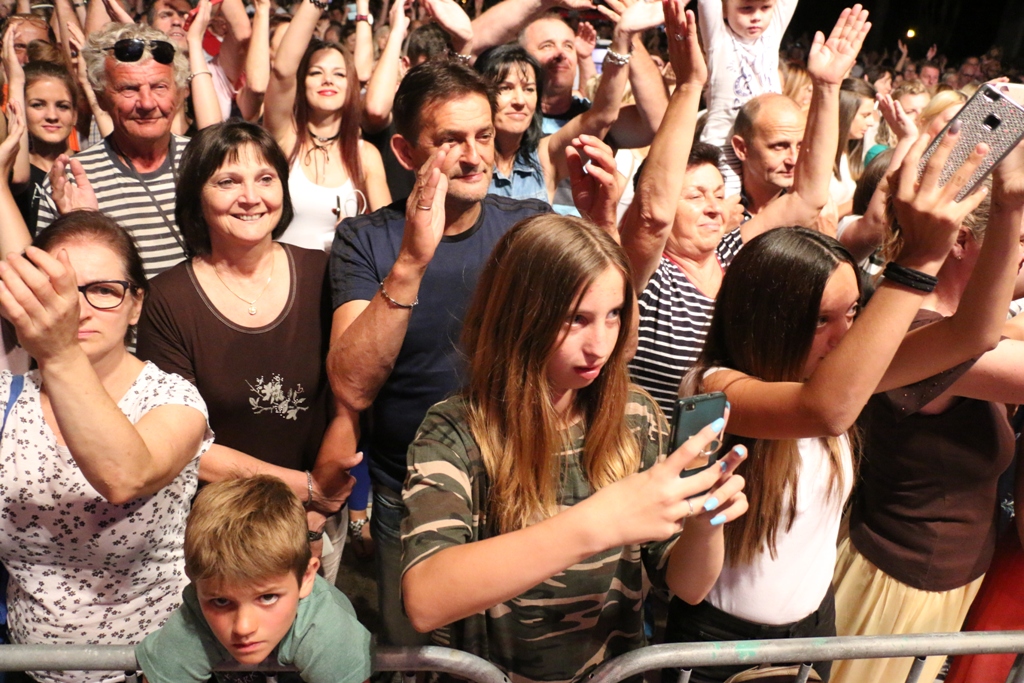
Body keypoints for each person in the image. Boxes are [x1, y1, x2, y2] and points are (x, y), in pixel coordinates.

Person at [663, 122, 1018, 683]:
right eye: (823, 319)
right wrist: (919, 260)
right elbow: (823, 412)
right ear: (771, 323)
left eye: (853, 313)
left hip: (811, 631)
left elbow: (974, 333)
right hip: (718, 646)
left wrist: (1010, 210)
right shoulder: (712, 389)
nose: (845, 334)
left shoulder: (841, 373)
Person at [327, 59, 622, 646]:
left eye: (483, 136)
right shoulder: (366, 240)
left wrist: (604, 224)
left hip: (522, 480)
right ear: (407, 154)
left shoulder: (528, 226)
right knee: (418, 650)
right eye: (451, 140)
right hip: (409, 494)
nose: (474, 155)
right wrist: (411, 262)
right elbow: (353, 385)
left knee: (516, 653)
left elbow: (605, 336)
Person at [401, 211, 748, 683]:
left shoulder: (637, 416)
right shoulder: (457, 432)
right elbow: (425, 599)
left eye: (613, 316)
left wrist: (708, 522)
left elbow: (687, 586)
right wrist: (599, 522)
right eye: (576, 320)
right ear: (521, 316)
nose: (599, 346)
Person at [830, 140, 1024, 683]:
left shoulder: (951, 323)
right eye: (1018, 238)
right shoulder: (917, 331)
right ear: (962, 240)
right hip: (895, 586)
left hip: (937, 580)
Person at [135, 121, 358, 583]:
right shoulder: (168, 298)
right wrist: (304, 490)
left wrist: (316, 513)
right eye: (227, 181)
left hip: (321, 520)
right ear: (197, 194)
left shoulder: (323, 272)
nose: (251, 197)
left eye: (265, 178)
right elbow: (184, 441)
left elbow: (352, 397)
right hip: (224, 529)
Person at [0, 209, 213, 683]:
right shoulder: (6, 400)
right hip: (28, 665)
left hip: (154, 666)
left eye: (103, 290)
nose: (77, 309)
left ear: (136, 304)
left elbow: (125, 475)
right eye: (60, 291)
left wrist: (57, 351)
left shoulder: (172, 397)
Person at [623, 3, 864, 416]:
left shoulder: (731, 250)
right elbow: (650, 221)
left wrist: (827, 88)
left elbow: (807, 197)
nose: (716, 207)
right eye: (696, 196)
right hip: (648, 451)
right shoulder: (646, 275)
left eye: (719, 194)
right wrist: (688, 86)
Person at [136, 475, 372, 683]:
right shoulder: (195, 614)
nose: (243, 627)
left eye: (268, 597)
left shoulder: (324, 629)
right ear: (195, 585)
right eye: (220, 601)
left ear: (306, 577)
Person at [33, 22, 191, 278]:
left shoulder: (209, 161)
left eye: (159, 87)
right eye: (129, 89)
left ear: (180, 93)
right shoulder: (69, 180)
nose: (147, 103)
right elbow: (51, 282)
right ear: (101, 98)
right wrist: (81, 223)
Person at [263, 0, 389, 251]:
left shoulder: (365, 155)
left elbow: (389, 233)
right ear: (303, 82)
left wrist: (361, 232)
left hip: (342, 286)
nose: (328, 80)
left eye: (339, 74)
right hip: (283, 283)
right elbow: (282, 71)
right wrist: (316, 3)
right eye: (316, 72)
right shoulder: (285, 138)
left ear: (350, 86)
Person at [698, 0, 799, 197]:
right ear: (725, 9)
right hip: (723, 144)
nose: (756, 16)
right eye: (746, 8)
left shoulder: (771, 32)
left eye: (765, 8)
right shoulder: (719, 39)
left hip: (767, 145)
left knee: (771, 202)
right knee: (729, 204)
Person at [830, 78, 875, 217]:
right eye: (865, 115)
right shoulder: (822, 156)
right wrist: (861, 201)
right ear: (845, 112)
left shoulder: (849, 149)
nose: (871, 122)